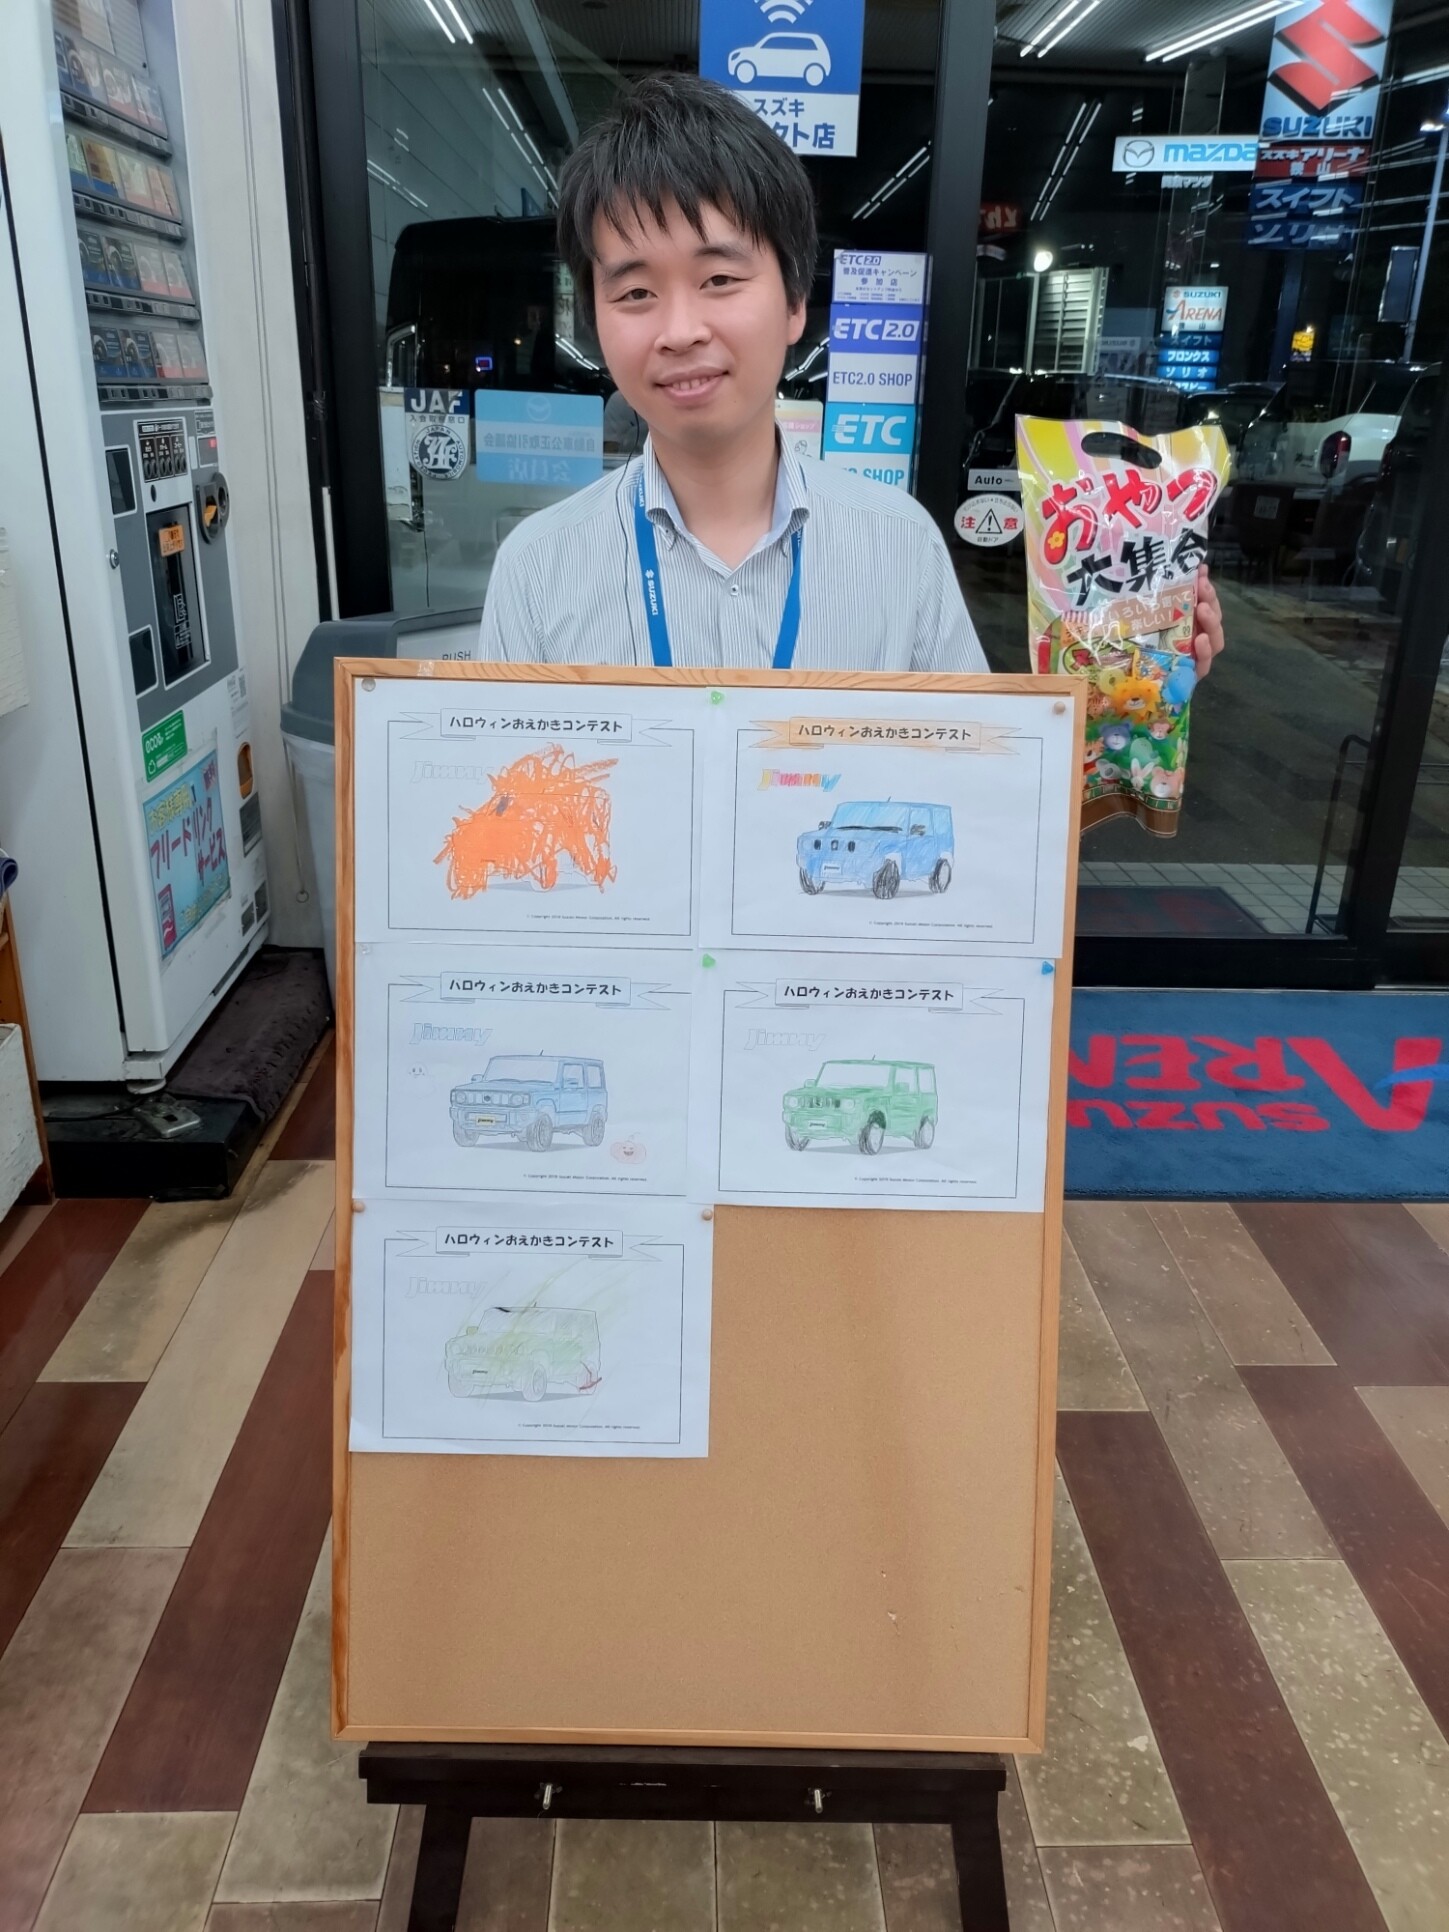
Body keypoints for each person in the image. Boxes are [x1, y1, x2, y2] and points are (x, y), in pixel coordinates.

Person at [478, 72, 1225, 679]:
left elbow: (977, 782)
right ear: (596, 316)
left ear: (794, 302)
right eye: (636, 292)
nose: (679, 330)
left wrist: (1123, 685)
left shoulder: (901, 547)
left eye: (719, 279)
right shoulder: (538, 568)